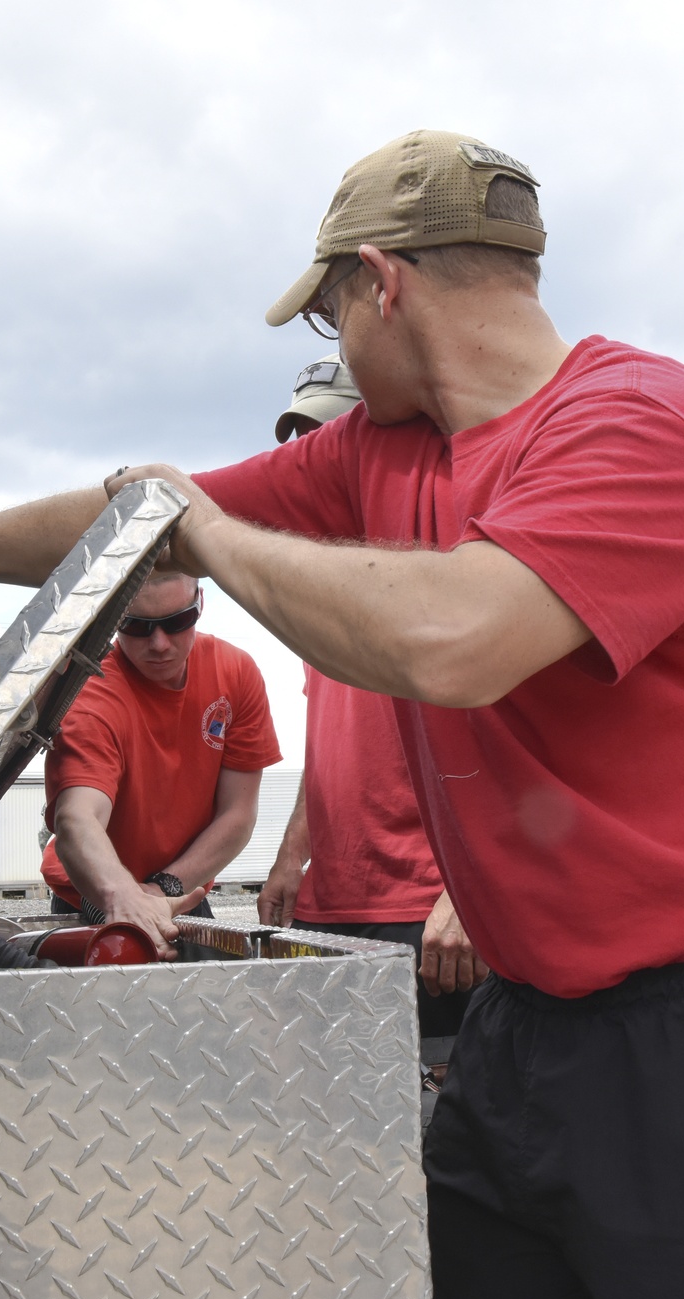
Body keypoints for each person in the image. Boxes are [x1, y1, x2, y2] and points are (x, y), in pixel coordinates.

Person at [0, 130, 684, 1299]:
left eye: (332, 310)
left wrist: (209, 538)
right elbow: (130, 522)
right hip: (522, 1030)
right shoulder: (386, 452)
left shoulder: (650, 425)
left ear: (378, 283)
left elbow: (452, 638)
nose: (334, 345)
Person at [263, 353, 484, 1037]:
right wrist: (288, 856)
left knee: (442, 1123)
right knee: (333, 1111)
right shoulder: (319, 596)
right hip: (326, 902)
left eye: (330, 439)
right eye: (301, 443)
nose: (312, 460)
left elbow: (518, 751)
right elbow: (330, 742)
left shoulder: (453, 569)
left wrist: (470, 894)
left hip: (426, 908)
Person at [41, 569, 282, 956]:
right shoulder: (91, 690)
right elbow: (78, 818)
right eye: (136, 626)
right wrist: (125, 898)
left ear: (199, 604)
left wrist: (161, 889)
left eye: (176, 621)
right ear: (113, 616)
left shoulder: (235, 673)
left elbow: (237, 814)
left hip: (179, 892)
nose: (159, 643)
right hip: (97, 894)